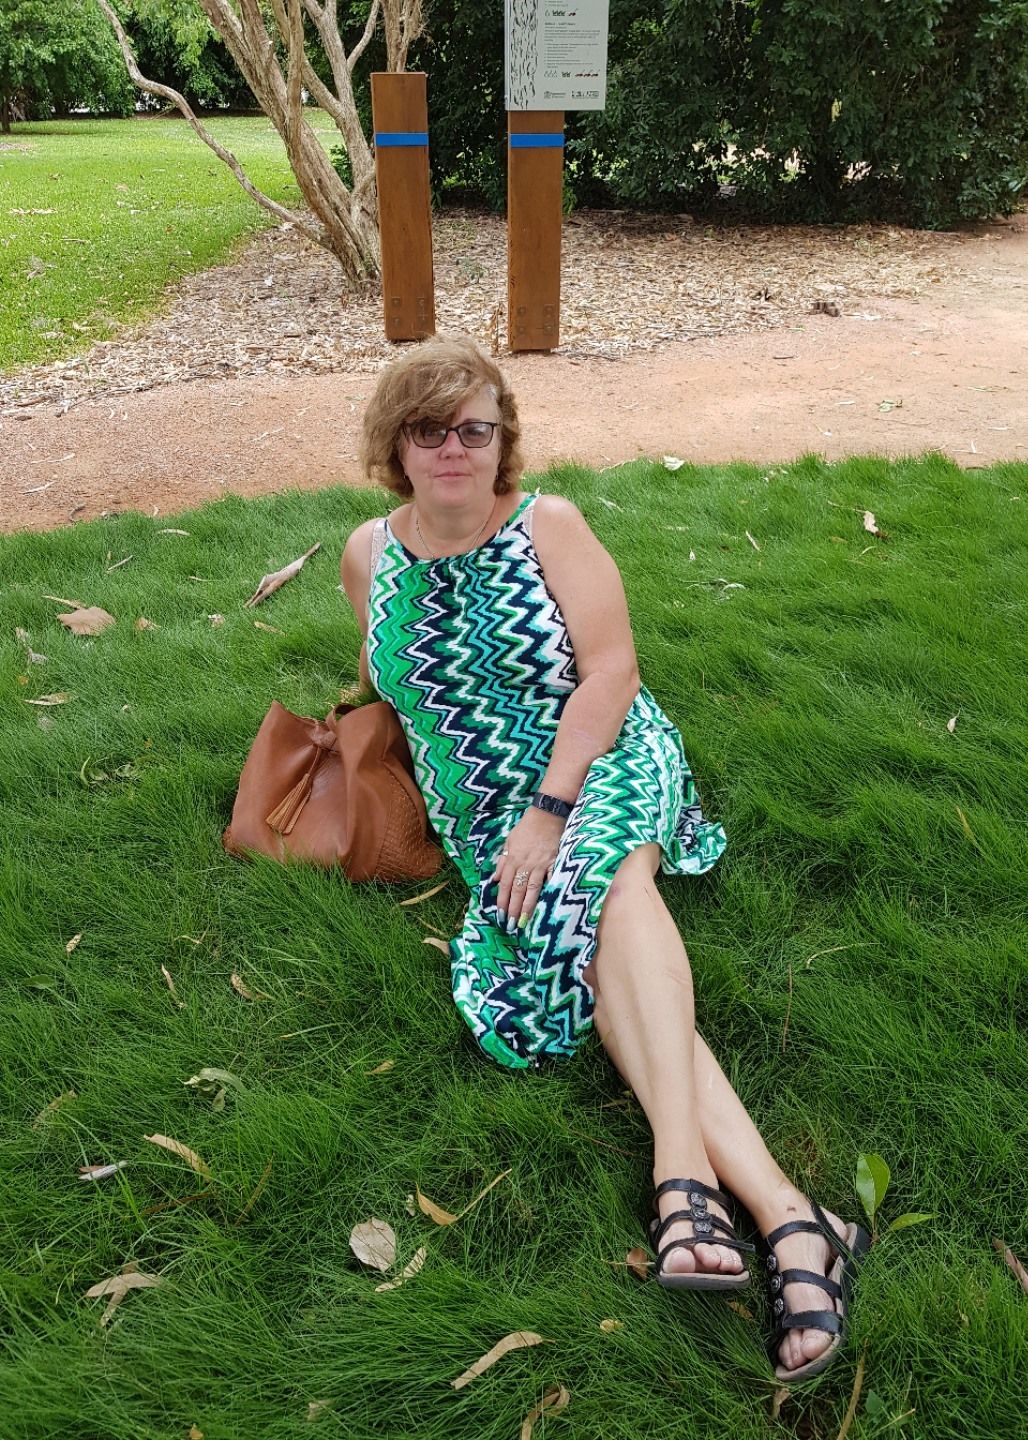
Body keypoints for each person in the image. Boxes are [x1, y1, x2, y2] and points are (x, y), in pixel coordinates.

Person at [340, 333, 867, 1384]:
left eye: (475, 429)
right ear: (396, 446)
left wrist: (550, 809)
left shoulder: (551, 525)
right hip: (484, 809)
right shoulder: (368, 554)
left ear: (504, 441)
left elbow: (613, 672)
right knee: (590, 940)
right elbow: (386, 673)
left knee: (604, 880)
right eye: (428, 430)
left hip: (601, 754)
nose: (453, 449)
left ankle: (683, 1181)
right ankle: (796, 1221)